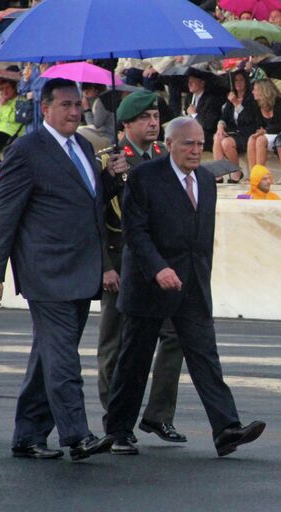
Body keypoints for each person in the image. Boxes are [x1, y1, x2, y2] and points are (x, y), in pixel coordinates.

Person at [0, 78, 128, 461]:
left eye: (78, 104)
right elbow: (5, 215)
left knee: (49, 356)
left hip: (81, 270)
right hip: (45, 273)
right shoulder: (26, 150)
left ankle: (28, 435)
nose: (74, 111)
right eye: (65, 104)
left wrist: (111, 178)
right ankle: (76, 436)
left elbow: (88, 205)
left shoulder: (82, 145)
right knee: (64, 358)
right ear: (45, 109)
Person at [103, 116, 266, 457]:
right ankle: (118, 430)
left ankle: (226, 429)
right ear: (170, 144)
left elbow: (200, 238)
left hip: (191, 286)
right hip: (150, 285)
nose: (196, 150)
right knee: (134, 360)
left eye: (200, 143)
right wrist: (158, 268)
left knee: (205, 356)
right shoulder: (146, 177)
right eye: (188, 144)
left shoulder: (206, 180)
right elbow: (136, 232)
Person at [96, 91, 187, 455]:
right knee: (116, 344)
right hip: (119, 259)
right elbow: (96, 219)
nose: (154, 122)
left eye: (156, 116)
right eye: (146, 117)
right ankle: (116, 421)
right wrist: (104, 266)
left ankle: (158, 413)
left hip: (156, 261)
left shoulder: (164, 159)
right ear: (127, 123)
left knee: (174, 334)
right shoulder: (109, 160)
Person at [213, 70, 259, 183]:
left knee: (226, 143)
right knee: (217, 137)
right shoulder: (231, 97)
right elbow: (224, 117)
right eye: (236, 80)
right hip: (234, 132)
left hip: (247, 133)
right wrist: (220, 126)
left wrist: (236, 103)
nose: (238, 83)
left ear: (246, 81)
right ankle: (217, 174)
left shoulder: (251, 98)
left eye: (241, 80)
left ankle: (236, 172)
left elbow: (248, 119)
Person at [246, 79, 281, 173]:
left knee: (260, 140)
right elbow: (258, 125)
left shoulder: (279, 102)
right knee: (252, 139)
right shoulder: (256, 105)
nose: (252, 92)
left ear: (263, 91)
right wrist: (261, 131)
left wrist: (266, 131)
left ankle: (260, 174)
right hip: (267, 135)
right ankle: (253, 174)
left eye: (255, 90)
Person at [183, 69, 223, 151]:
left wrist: (194, 115)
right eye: (189, 81)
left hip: (206, 135)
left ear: (202, 83)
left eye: (193, 81)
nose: (189, 84)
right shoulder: (189, 97)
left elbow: (209, 125)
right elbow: (185, 112)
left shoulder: (211, 99)